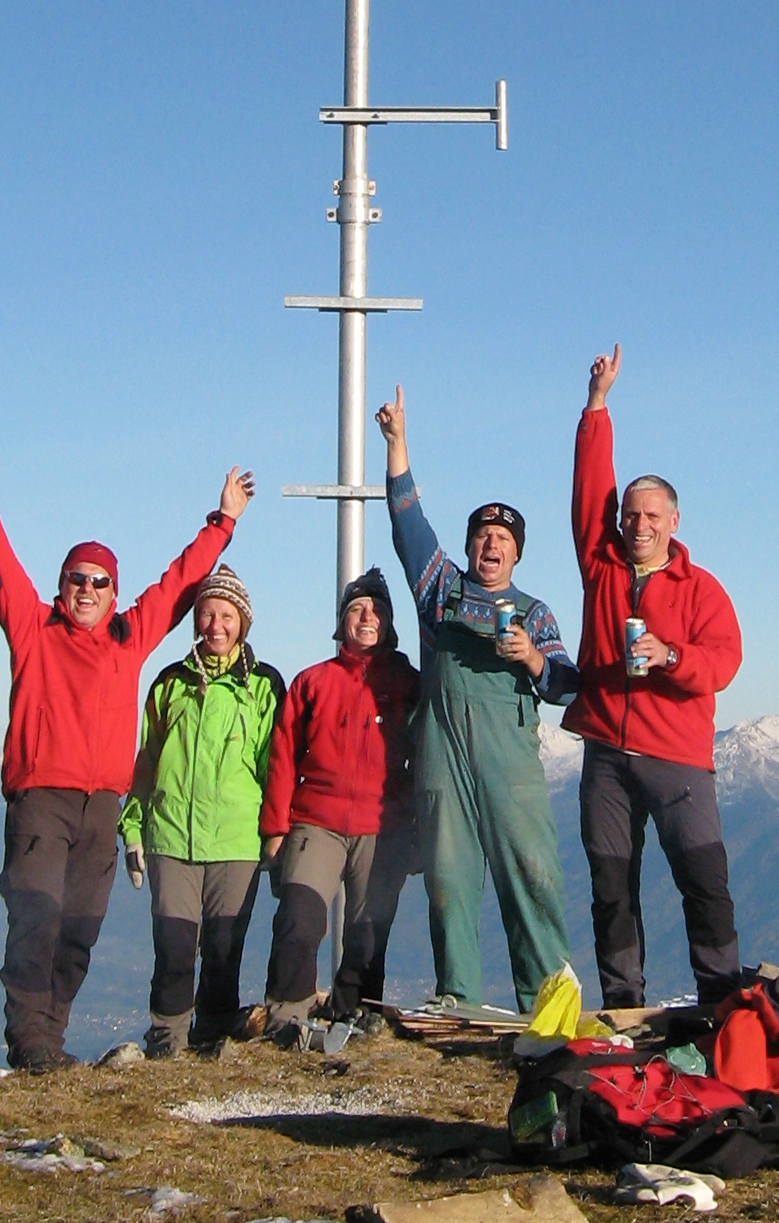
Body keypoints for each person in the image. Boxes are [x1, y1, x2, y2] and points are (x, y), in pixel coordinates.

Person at [0, 429, 251, 1072]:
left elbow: (178, 585)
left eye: (99, 581)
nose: (87, 589)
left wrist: (223, 522)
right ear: (62, 585)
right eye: (77, 579)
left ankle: (48, 1040)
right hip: (41, 802)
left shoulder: (127, 638)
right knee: (35, 920)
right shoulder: (33, 628)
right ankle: (29, 1043)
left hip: (102, 808)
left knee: (79, 932)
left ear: (114, 591)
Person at [377, 385, 581, 1017]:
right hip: (442, 757)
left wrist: (532, 659)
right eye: (483, 536)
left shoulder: (535, 612)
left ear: (517, 552)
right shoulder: (439, 589)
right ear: (469, 547)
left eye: (503, 539)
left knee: (532, 873)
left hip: (510, 766)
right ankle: (458, 999)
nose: (491, 546)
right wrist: (397, 445)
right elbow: (409, 525)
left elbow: (567, 684)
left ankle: (548, 1003)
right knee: (449, 879)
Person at [567, 343, 745, 1010]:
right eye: (630, 516)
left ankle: (721, 1004)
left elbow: (723, 663)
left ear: (674, 521)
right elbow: (589, 491)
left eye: (651, 517)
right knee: (611, 886)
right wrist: (597, 405)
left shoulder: (701, 589)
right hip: (606, 754)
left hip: (678, 757)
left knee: (704, 881)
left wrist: (671, 657)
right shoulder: (601, 567)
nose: (638, 525)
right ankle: (624, 1005)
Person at [122, 569, 284, 1058]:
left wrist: (276, 832)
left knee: (222, 949)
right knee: (173, 948)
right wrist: (133, 827)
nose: (216, 625)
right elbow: (146, 762)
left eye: (227, 616)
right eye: (208, 614)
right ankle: (167, 1040)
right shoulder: (169, 683)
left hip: (236, 840)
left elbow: (274, 765)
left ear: (243, 623)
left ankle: (211, 1034)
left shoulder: (264, 686)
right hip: (172, 837)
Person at [259, 567, 419, 1042]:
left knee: (369, 931)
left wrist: (417, 830)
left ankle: (356, 1013)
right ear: (341, 621)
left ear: (389, 623)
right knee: (299, 919)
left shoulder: (409, 683)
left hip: (383, 825)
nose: (367, 617)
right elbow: (284, 754)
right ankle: (286, 1016)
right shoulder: (313, 682)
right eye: (357, 609)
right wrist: (275, 828)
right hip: (317, 821)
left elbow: (425, 757)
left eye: (377, 610)